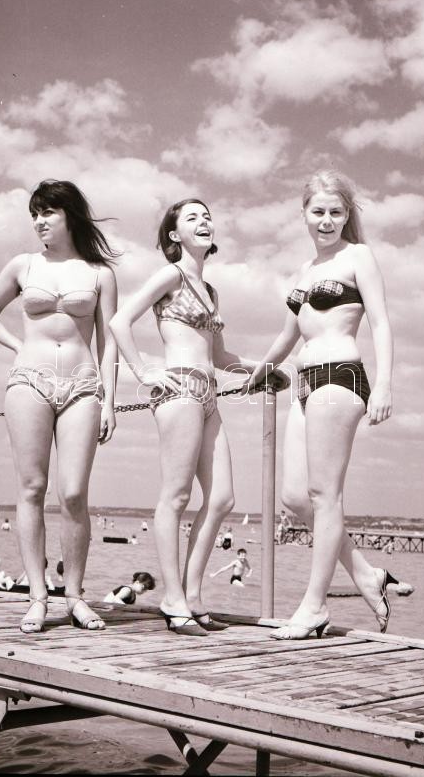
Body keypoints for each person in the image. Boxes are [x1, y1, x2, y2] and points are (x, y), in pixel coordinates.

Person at [247, 167, 405, 640]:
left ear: (347, 214)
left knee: (324, 496)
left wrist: (385, 385)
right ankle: (366, 574)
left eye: (336, 212)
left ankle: (314, 606)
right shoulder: (304, 271)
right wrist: (260, 368)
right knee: (296, 498)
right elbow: (289, 334)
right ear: (304, 214)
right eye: (318, 212)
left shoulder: (358, 256)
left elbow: (380, 322)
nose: (326, 220)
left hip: (340, 377)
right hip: (303, 382)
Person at [110, 198, 269, 636]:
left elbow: (220, 356)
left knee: (221, 499)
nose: (204, 222)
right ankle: (172, 598)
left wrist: (267, 369)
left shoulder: (212, 292)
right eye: (192, 218)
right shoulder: (171, 275)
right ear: (174, 234)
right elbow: (120, 321)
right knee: (176, 496)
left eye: (207, 217)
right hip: (177, 389)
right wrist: (144, 371)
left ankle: (193, 596)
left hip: (209, 393)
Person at [0, 179, 118, 634]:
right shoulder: (23, 265)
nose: (39, 221)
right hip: (29, 381)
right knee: (32, 488)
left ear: (69, 215)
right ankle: (38, 596)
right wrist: (18, 346)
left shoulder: (99, 273)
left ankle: (74, 596)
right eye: (34, 213)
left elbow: (109, 342)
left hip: (82, 384)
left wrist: (109, 399)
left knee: (73, 492)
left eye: (48, 212)